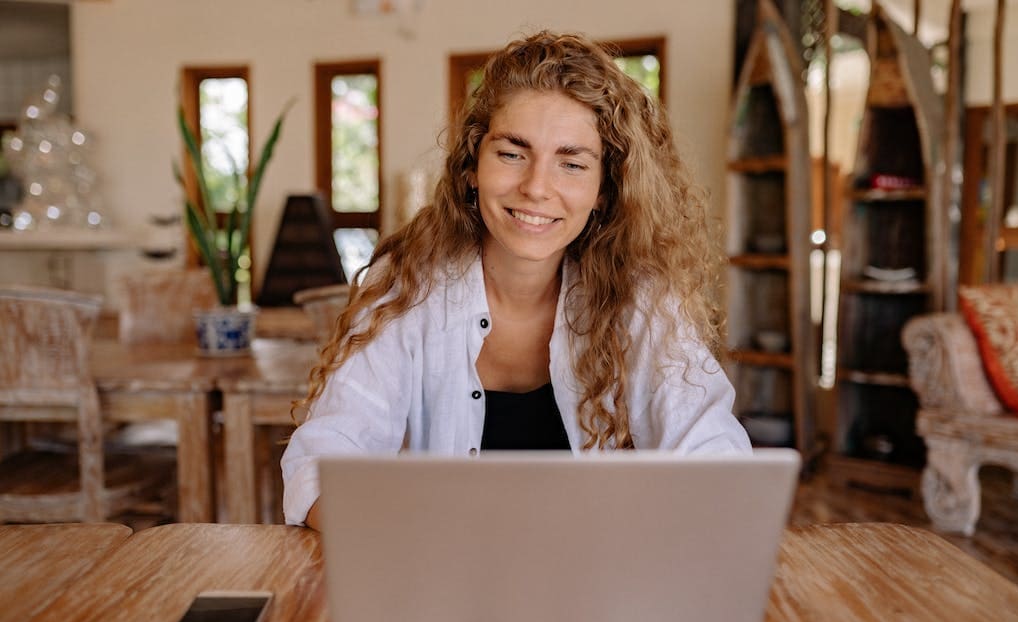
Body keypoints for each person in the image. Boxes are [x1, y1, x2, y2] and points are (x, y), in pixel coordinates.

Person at [282, 30, 751, 529]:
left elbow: (713, 454)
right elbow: (323, 460)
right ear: (471, 166)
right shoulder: (407, 284)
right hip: (444, 581)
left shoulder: (640, 296)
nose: (536, 188)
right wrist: (402, 538)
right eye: (511, 153)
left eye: (571, 163)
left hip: (598, 583)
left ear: (603, 192)